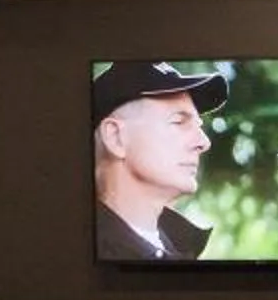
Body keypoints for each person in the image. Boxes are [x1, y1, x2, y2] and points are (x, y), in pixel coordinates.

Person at [91, 60, 226, 262]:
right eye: (179, 121)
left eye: (199, 125)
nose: (204, 142)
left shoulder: (180, 251)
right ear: (115, 137)